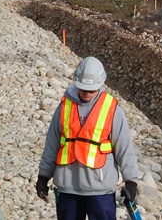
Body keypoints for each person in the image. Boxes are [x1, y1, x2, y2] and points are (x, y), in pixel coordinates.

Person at [36, 56, 139, 220]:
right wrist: (43, 176)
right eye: (84, 89)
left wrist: (131, 181)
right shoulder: (64, 107)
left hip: (100, 191)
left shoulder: (111, 110)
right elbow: (52, 144)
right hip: (68, 188)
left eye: (92, 90)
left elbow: (124, 148)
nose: (87, 93)